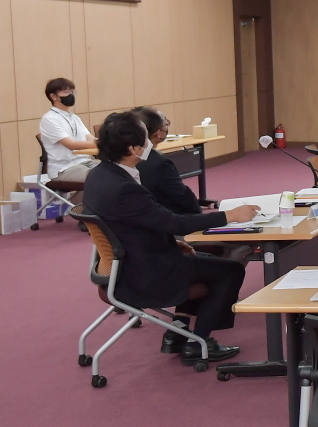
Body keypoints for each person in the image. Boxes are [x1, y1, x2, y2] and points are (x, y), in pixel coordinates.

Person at [81, 112, 256, 363]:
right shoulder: (125, 188)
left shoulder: (98, 175)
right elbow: (174, 222)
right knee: (230, 271)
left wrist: (173, 243)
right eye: (145, 139)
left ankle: (180, 330)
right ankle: (199, 342)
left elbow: (134, 225)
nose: (149, 143)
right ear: (132, 148)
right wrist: (230, 216)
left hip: (125, 263)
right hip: (144, 274)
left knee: (202, 261)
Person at [130, 107, 214, 214]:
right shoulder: (160, 164)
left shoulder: (121, 157)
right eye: (165, 124)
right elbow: (184, 199)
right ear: (158, 133)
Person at [38, 78, 98, 194]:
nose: (71, 95)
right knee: (104, 175)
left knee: (119, 169)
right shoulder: (50, 119)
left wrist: (108, 141)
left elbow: (90, 139)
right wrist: (102, 143)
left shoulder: (74, 117)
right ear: (53, 96)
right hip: (63, 169)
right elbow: (71, 145)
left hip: (84, 162)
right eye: (66, 92)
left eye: (72, 92)